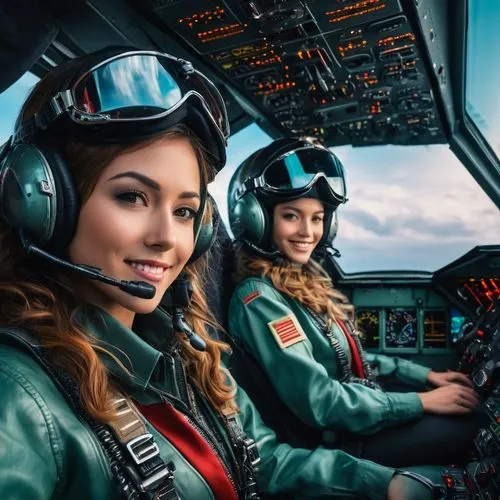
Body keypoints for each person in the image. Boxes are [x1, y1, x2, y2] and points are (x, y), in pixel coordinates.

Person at [0, 48, 443, 500]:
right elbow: (320, 403)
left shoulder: (188, 349)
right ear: (41, 202)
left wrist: (386, 483)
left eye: (186, 210)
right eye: (132, 197)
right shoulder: (17, 398)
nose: (167, 238)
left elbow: (263, 462)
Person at [227, 137, 480, 468]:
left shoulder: (297, 282)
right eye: (292, 215)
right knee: (474, 430)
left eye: (317, 218)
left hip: (353, 423)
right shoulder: (259, 301)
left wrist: (426, 377)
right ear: (257, 218)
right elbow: (321, 401)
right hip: (333, 445)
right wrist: (421, 402)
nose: (308, 231)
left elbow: (349, 361)